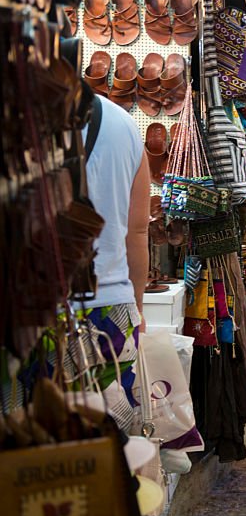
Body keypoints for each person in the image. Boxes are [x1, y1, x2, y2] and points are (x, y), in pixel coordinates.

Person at [80, 88, 150, 433]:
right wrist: (137, 308)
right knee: (114, 442)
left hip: (34, 315)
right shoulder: (123, 123)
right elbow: (137, 232)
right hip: (112, 311)